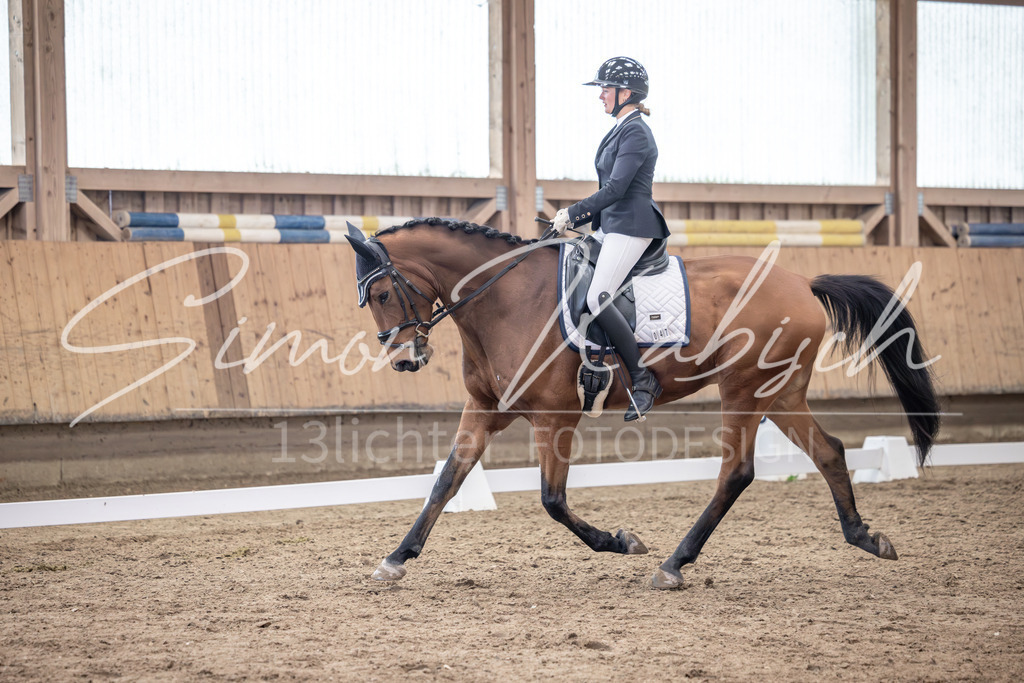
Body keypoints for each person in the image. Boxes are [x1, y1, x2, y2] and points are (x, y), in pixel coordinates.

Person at [552, 56, 669, 422]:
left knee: (597, 296)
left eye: (605, 89)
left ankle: (642, 379)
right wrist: (583, 222)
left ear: (626, 93)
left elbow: (617, 188)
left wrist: (573, 213)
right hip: (612, 224)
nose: (600, 95)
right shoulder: (621, 128)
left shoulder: (636, 132)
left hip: (632, 226)